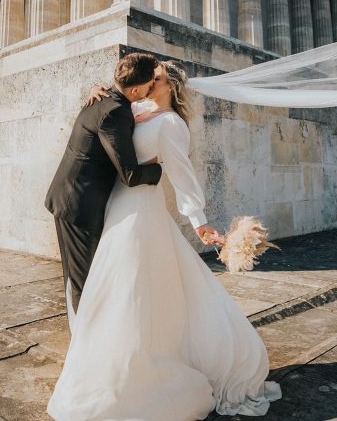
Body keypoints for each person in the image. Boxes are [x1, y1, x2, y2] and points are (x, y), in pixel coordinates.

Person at [46, 60, 282, 420]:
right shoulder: (135, 106)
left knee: (129, 289)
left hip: (140, 209)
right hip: (113, 207)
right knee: (108, 287)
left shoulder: (172, 124)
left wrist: (199, 221)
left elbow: (182, 175)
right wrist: (93, 89)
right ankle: (102, 357)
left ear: (167, 85)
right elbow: (112, 108)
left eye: (154, 78)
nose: (146, 82)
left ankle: (135, 370)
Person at [44, 52, 165, 326]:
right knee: (85, 282)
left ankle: (84, 337)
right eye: (148, 85)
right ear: (135, 89)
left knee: (78, 279)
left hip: (70, 198)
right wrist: (159, 169)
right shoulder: (115, 112)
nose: (151, 89)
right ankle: (86, 346)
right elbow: (130, 174)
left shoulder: (106, 98)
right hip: (78, 206)